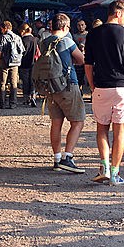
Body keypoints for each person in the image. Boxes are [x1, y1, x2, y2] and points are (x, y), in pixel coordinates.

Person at [84, 1, 124, 186]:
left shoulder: (93, 33)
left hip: (101, 87)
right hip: (123, 87)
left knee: (102, 127)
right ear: (117, 13)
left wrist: (92, 86)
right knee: (120, 130)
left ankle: (104, 167)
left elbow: (88, 64)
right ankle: (115, 173)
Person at [39, 13, 86, 173]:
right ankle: (68, 157)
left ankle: (57, 159)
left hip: (50, 87)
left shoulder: (43, 42)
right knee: (78, 121)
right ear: (65, 27)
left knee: (56, 124)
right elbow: (81, 60)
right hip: (67, 85)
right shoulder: (67, 41)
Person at [0, 20, 25, 108]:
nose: (1, 31)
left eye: (1, 29)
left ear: (5, 28)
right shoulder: (17, 37)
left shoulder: (3, 37)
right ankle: (13, 103)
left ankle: (2, 103)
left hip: (4, 62)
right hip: (15, 63)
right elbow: (22, 50)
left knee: (2, 83)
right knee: (14, 83)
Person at [19, 23, 38, 107]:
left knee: (25, 82)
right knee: (33, 80)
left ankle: (26, 99)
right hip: (34, 63)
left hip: (23, 63)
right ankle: (33, 96)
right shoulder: (35, 39)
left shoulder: (22, 40)